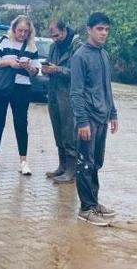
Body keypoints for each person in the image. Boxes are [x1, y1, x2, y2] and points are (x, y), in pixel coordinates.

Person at [70, 12, 119, 227]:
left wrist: (113, 113)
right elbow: (76, 92)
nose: (104, 33)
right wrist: (82, 121)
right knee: (85, 163)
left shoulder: (104, 54)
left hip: (102, 117)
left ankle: (94, 202)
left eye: (106, 29)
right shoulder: (80, 57)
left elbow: (107, 87)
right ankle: (85, 209)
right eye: (99, 29)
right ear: (88, 30)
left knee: (96, 162)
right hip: (87, 119)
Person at [0, 15, 40, 175]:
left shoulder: (32, 47)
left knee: (21, 124)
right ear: (14, 28)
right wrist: (9, 62)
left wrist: (29, 67)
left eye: (26, 31)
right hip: (2, 86)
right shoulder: (4, 42)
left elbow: (36, 71)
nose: (22, 34)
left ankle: (23, 161)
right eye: (20, 30)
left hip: (22, 88)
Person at [42, 20, 83, 183]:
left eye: (57, 35)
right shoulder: (53, 47)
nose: (55, 39)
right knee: (58, 131)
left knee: (69, 133)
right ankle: (62, 166)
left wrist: (57, 69)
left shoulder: (77, 47)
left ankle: (72, 170)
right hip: (53, 94)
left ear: (64, 30)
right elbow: (50, 66)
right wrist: (46, 69)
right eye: (52, 36)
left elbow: (78, 73)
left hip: (69, 96)